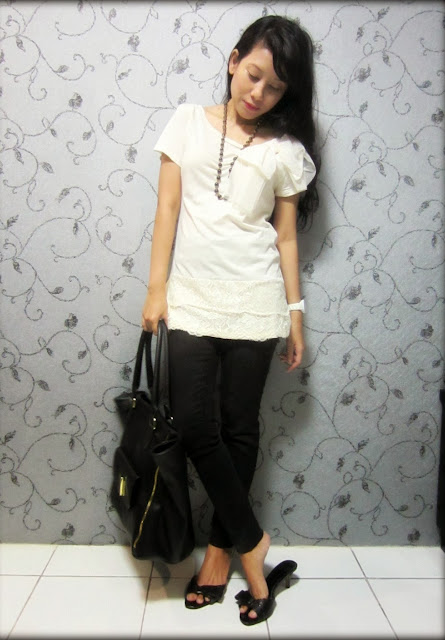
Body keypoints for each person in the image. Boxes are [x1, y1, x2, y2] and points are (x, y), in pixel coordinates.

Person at [141, 14, 319, 626]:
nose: (259, 93)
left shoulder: (286, 151)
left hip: (256, 301)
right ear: (234, 60)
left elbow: (286, 238)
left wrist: (296, 317)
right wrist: (156, 289)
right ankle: (254, 543)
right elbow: (167, 207)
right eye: (254, 75)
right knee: (196, 426)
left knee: (240, 429)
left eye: (275, 88)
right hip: (191, 296)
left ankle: (219, 554)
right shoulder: (187, 122)